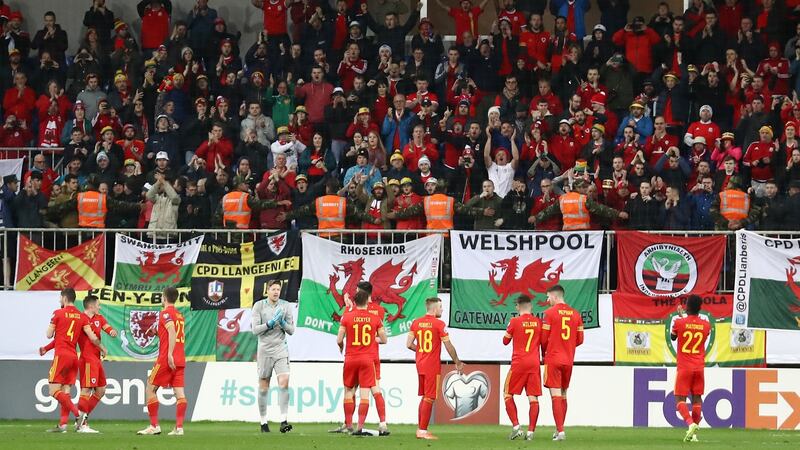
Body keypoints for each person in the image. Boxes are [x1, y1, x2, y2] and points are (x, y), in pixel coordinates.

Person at [45, 288, 103, 433]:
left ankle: (78, 415)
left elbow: (48, 334)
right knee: (65, 391)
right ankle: (63, 424)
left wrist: (55, 329)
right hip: (73, 357)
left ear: (64, 298)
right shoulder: (81, 316)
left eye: (60, 298)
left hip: (61, 355)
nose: (59, 300)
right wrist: (102, 347)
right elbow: (92, 337)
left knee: (53, 390)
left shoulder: (58, 313)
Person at [407, 297, 464, 440]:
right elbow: (448, 345)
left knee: (425, 396)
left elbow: (409, 344)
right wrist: (457, 361)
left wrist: (421, 351)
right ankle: (422, 430)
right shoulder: (439, 324)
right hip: (432, 365)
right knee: (430, 397)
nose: (442, 309)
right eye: (440, 307)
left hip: (420, 364)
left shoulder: (416, 323)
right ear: (434, 309)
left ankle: (420, 429)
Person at [336, 289, 387, 436]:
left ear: (355, 302)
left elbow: (339, 339)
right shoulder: (375, 319)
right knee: (365, 394)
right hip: (367, 359)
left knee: (348, 391)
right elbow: (384, 340)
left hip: (350, 358)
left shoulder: (346, 317)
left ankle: (349, 424)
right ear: (367, 302)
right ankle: (360, 426)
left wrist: (341, 347)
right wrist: (374, 339)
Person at [138, 287, 188, 436]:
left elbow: (172, 331)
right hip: (180, 358)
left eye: (161, 297)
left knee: (150, 388)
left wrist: (169, 355)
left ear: (164, 298)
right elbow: (171, 334)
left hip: (167, 359)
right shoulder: (179, 315)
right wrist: (157, 333)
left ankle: (154, 426)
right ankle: (179, 428)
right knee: (180, 393)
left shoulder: (165, 313)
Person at [541, 284, 584, 442]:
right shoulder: (576, 314)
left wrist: (550, 349)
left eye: (548, 297)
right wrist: (568, 346)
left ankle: (560, 432)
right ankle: (559, 429)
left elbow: (544, 339)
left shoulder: (549, 313)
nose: (547, 300)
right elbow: (580, 339)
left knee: (555, 396)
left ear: (554, 296)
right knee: (564, 394)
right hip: (568, 360)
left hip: (553, 358)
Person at [251, 280, 295, 433]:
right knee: (264, 388)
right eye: (273, 289)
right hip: (264, 350)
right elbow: (255, 330)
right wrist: (269, 324)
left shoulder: (285, 306)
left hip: (281, 350)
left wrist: (282, 322)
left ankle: (284, 421)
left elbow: (291, 330)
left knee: (284, 383)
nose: (276, 292)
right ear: (267, 290)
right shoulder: (259, 306)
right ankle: (263, 423)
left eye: (278, 289)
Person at [670, 294, 711, 443]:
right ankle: (694, 435)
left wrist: (681, 317)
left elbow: (674, 337)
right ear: (700, 308)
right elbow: (694, 329)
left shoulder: (679, 323)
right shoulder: (706, 325)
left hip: (684, 367)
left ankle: (690, 423)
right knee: (697, 398)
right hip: (699, 367)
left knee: (679, 398)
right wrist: (685, 317)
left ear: (687, 306)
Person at [503, 295, 542, 441]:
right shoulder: (538, 322)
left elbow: (505, 341)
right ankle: (531, 432)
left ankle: (516, 427)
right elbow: (543, 342)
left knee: (507, 394)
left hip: (519, 363)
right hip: (534, 364)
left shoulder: (514, 321)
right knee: (533, 398)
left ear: (517, 307)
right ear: (531, 306)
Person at [533, 179, 628, 230]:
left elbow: (549, 211)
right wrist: (618, 214)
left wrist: (536, 217)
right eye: (584, 188)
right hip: (583, 233)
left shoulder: (563, 198)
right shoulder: (583, 199)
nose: (586, 190)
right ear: (578, 188)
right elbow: (601, 209)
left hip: (567, 233)